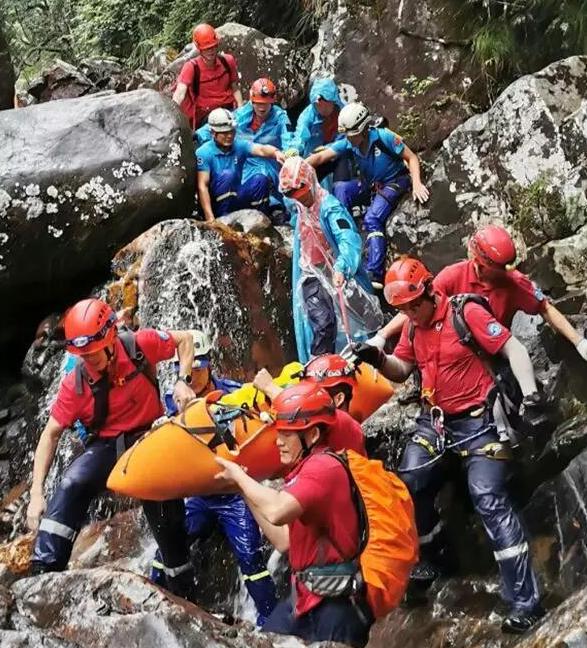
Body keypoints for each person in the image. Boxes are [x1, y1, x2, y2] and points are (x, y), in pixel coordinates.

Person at [352, 257, 545, 634]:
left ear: (429, 291)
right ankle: (436, 556)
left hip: (481, 422)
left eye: (413, 305)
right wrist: (378, 358)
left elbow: (514, 349)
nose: (410, 313)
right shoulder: (412, 326)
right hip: (437, 422)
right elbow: (402, 370)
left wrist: (531, 395)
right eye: (402, 309)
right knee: (408, 480)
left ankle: (526, 601)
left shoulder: (465, 311)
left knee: (486, 495)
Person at [26, 298, 199, 600]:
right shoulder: (75, 383)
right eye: (82, 355)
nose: (88, 360)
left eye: (92, 354)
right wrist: (36, 494)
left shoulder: (138, 345)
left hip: (150, 436)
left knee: (166, 515)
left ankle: (184, 593)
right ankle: (42, 575)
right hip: (107, 445)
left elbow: (185, 339)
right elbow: (49, 435)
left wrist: (183, 382)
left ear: (110, 340)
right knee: (72, 483)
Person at [214, 382, 374, 647]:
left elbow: (277, 511)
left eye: (287, 434)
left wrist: (241, 478)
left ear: (312, 436)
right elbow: (284, 541)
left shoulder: (323, 468)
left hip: (336, 607)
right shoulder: (305, 469)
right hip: (304, 598)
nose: (278, 442)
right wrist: (242, 489)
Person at [152, 330, 277, 626]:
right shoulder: (173, 405)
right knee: (167, 548)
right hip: (199, 495)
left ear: (208, 364)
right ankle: (154, 603)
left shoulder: (232, 393)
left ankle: (271, 624)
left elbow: (258, 414)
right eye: (186, 370)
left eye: (198, 368)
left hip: (234, 493)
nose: (191, 376)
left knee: (251, 558)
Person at [370, 225, 587, 359]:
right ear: (480, 263)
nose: (504, 272)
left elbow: (545, 308)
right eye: (498, 268)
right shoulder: (453, 275)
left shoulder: (514, 283)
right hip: (451, 351)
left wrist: (578, 342)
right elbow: (415, 305)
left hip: (492, 351)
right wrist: (382, 336)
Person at [307, 102, 429, 290]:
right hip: (372, 184)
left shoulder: (384, 137)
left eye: (351, 134)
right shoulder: (350, 143)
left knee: (372, 219)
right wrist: (300, 166)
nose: (348, 138)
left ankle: (375, 273)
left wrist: (417, 183)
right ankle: (345, 238)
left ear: (363, 129)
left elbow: (411, 157)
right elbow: (322, 157)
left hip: (394, 180)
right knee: (341, 189)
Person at [279, 156, 382, 363]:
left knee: (365, 318)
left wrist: (342, 266)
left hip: (338, 270)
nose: (299, 198)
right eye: (293, 195)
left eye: (302, 192)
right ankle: (321, 369)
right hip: (311, 273)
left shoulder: (330, 208)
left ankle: (373, 361)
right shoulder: (299, 207)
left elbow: (348, 239)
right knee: (322, 322)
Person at [196, 78, 294, 221]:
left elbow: (264, 148)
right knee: (227, 176)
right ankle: (224, 220)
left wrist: (281, 153)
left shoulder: (279, 118)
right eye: (259, 103)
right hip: (230, 182)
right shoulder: (205, 152)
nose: (262, 107)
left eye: (266, 104)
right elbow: (202, 186)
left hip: (264, 168)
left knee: (261, 177)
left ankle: (265, 217)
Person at [173, 23, 243, 130]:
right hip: (206, 115)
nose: (211, 51)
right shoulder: (191, 67)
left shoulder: (227, 61)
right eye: (206, 48)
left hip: (228, 109)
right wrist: (173, 113)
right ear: (199, 48)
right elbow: (180, 93)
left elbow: (235, 87)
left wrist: (241, 109)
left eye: (213, 47)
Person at [288, 78, 349, 186]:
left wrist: (330, 147)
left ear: (333, 100)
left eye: (325, 104)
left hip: (338, 153)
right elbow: (300, 137)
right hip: (313, 157)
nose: (321, 108)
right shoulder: (307, 116)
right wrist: (294, 149)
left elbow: (350, 138)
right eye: (317, 105)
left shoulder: (344, 112)